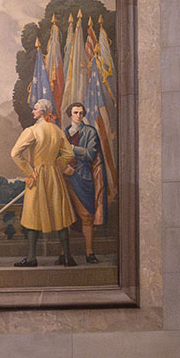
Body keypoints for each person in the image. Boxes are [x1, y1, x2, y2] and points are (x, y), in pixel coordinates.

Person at [10, 99, 77, 266]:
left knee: (33, 215)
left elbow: (15, 153)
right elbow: (69, 155)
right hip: (54, 177)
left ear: (41, 112)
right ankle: (67, 257)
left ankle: (32, 258)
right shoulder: (57, 130)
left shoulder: (32, 131)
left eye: (35, 109)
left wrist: (28, 171)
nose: (33, 112)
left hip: (38, 176)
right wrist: (57, 166)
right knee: (59, 214)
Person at [64, 101, 105, 261]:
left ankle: (89, 252)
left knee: (86, 215)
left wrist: (72, 149)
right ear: (70, 114)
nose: (78, 115)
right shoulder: (64, 132)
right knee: (66, 216)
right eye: (75, 112)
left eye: (81, 113)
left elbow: (90, 154)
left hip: (84, 177)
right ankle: (64, 254)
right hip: (66, 177)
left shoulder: (90, 132)